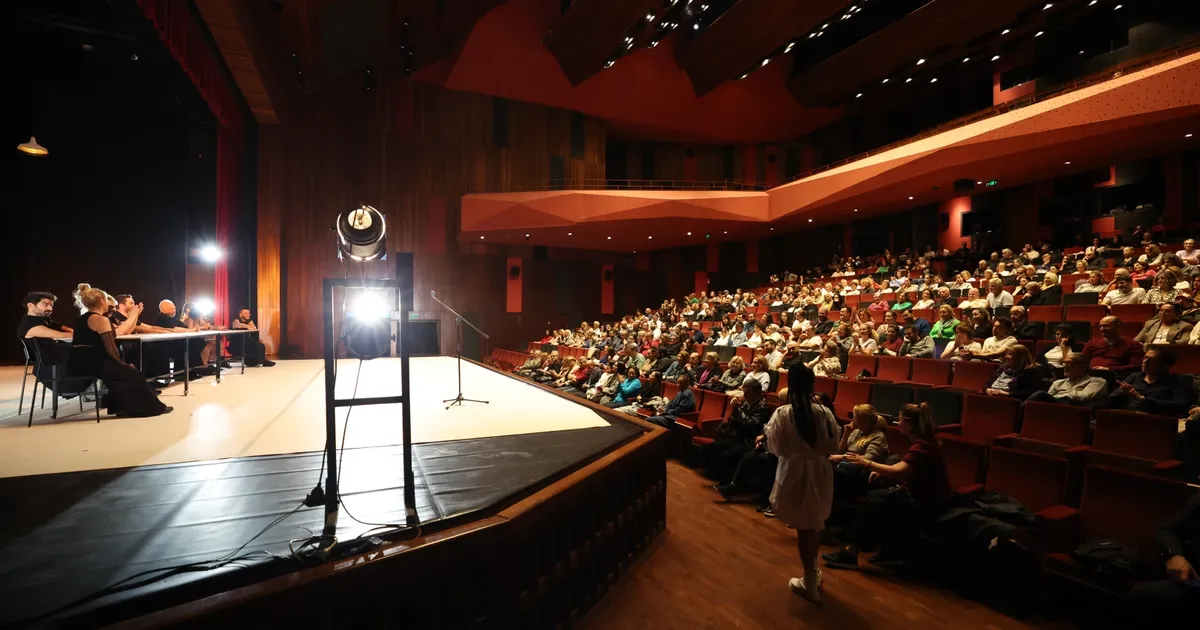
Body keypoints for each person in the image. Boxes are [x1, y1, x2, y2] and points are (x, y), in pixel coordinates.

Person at [822, 403, 952, 570]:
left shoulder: (922, 445)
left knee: (877, 501)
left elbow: (899, 471)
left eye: (900, 420)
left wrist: (867, 463)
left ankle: (851, 552)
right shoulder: (922, 441)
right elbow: (906, 466)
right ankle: (882, 550)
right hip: (919, 493)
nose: (897, 423)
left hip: (928, 500)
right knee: (877, 497)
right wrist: (882, 471)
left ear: (909, 423)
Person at [761, 365, 840, 603]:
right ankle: (812, 573)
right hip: (819, 470)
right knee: (812, 525)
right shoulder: (824, 412)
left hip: (794, 470)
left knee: (805, 529)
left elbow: (775, 447)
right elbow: (834, 443)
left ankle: (809, 581)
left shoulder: (784, 413)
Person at [66, 284, 170, 417]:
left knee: (125, 373)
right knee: (134, 373)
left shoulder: (81, 318)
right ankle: (149, 408)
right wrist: (122, 364)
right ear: (103, 301)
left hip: (77, 361)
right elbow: (110, 346)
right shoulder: (100, 319)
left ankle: (122, 408)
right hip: (93, 362)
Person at [1126, 494, 1200, 622]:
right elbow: (1166, 531)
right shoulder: (1197, 504)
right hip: (1194, 587)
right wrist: (1174, 555)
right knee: (1142, 596)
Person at [703, 379, 772, 485]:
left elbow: (751, 424)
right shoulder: (745, 402)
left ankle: (728, 481)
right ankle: (715, 474)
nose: (744, 394)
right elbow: (733, 420)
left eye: (746, 392)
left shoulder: (763, 406)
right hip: (737, 436)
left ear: (755, 392)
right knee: (706, 448)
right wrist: (735, 411)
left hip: (750, 440)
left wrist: (737, 410)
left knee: (727, 455)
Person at [1104, 347, 1195, 416]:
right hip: (1126, 417)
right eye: (1145, 358)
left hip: (1155, 421)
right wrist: (1121, 393)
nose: (1145, 362)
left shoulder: (1179, 380)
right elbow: (1111, 398)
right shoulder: (1134, 376)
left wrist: (1142, 398)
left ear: (1165, 366)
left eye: (1151, 360)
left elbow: (1181, 406)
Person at [829, 404, 889, 500]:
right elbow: (839, 451)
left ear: (864, 420)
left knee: (834, 472)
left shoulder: (878, 436)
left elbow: (868, 459)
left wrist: (842, 458)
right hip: (846, 467)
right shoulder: (856, 432)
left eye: (855, 417)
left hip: (862, 473)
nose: (853, 420)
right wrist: (845, 434)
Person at [1025, 353, 1108, 407]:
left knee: (1041, 394)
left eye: (1069, 363)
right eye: (1064, 363)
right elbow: (1048, 399)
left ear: (1083, 366)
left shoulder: (1097, 381)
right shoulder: (1058, 383)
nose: (1065, 366)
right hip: (1053, 408)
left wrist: (1061, 395)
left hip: (1075, 409)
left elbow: (1084, 396)